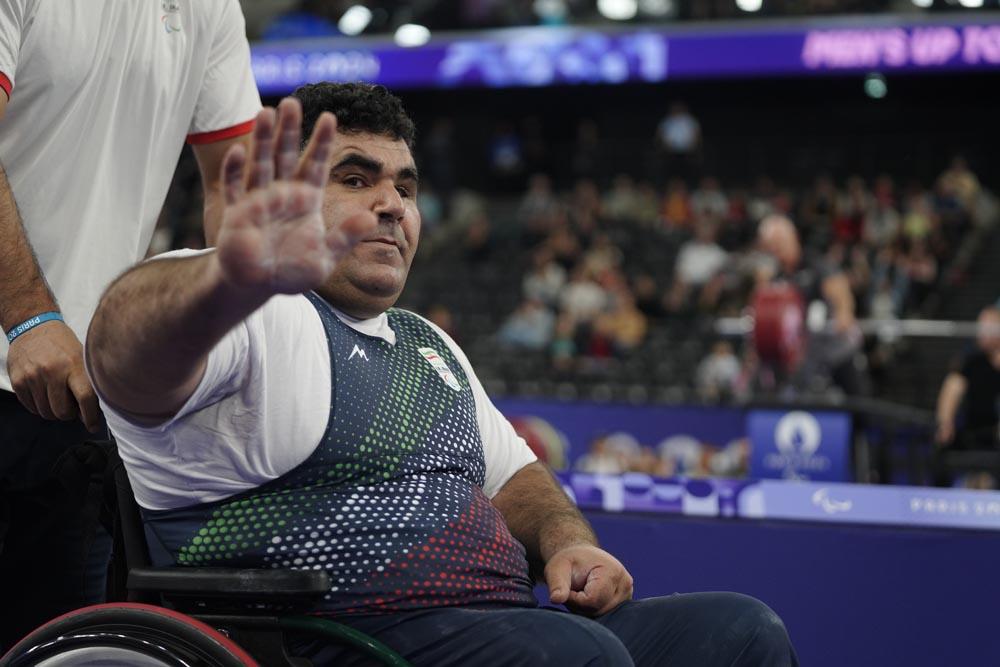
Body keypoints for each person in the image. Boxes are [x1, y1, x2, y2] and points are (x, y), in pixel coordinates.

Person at [86, 83, 797, 666]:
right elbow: (121, 350)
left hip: (501, 625)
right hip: (337, 642)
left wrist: (567, 541)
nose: (392, 204)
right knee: (578, 655)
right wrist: (226, 277)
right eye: (355, 179)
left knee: (742, 632)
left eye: (405, 186)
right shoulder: (248, 314)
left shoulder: (427, 342)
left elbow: (517, 480)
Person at [0, 0, 261, 648]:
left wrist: (237, 337)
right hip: (32, 338)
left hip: (81, 394)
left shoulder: (211, 7)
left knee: (58, 642)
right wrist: (28, 315)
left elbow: (232, 187)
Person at [757, 214, 866, 395]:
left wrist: (844, 313)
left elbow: (840, 291)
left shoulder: (815, 263)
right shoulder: (778, 277)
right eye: (771, 245)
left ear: (793, 238)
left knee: (856, 397)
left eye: (779, 243)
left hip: (835, 347)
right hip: (805, 355)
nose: (776, 249)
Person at [933, 305, 1000, 486]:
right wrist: (945, 421)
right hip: (975, 434)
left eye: (987, 327)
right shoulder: (971, 361)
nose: (981, 333)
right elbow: (951, 389)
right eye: (980, 327)